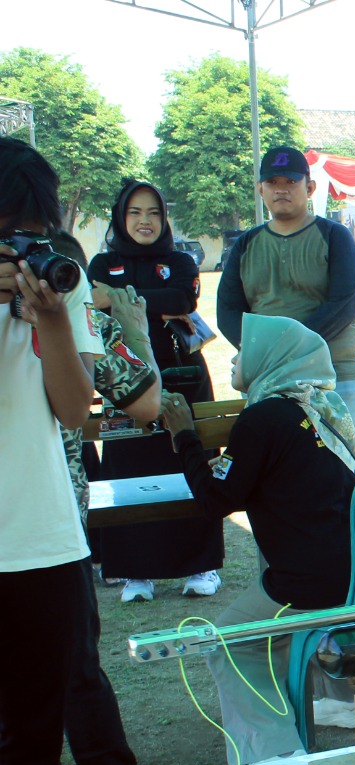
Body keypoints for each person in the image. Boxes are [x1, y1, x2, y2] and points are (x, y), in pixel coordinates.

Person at [0, 139, 130, 765]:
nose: (24, 251)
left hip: (40, 534)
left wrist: (47, 316)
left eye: (33, 230)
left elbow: (77, 411)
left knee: (32, 730)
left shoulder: (53, 286)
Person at [160, 314, 355, 765]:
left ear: (271, 358)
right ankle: (333, 699)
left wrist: (185, 437)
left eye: (245, 350)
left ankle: (273, 755)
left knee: (227, 640)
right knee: (283, 629)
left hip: (322, 573)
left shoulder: (262, 417)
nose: (234, 357)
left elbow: (215, 501)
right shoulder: (315, 406)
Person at [50, 231, 167, 765]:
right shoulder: (76, 317)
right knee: (73, 665)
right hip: (49, 526)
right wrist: (118, 322)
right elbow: (146, 401)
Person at [88, 178, 223, 602]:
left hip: (183, 377)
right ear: (120, 218)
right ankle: (134, 573)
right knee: (128, 469)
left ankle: (201, 568)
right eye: (135, 213)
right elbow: (92, 301)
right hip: (124, 382)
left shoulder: (180, 259)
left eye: (153, 213)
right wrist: (142, 299)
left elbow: (182, 298)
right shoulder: (101, 262)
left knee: (189, 462)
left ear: (164, 219)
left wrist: (121, 298)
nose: (144, 221)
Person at [217, 146, 355, 466]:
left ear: (310, 187)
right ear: (260, 189)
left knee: (349, 469)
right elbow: (228, 311)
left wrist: (286, 349)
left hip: (339, 374)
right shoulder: (245, 245)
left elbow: (347, 300)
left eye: (290, 181)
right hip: (268, 379)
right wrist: (266, 355)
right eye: (272, 182)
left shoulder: (334, 236)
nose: (281, 189)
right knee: (277, 474)